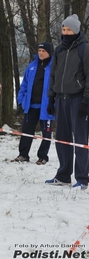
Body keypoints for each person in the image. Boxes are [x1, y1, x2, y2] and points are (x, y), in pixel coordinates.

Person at [45, 14, 89, 190]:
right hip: (61, 100)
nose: (65, 32)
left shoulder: (84, 49)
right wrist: (51, 97)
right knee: (62, 139)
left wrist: (86, 100)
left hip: (78, 99)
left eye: (69, 29)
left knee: (80, 139)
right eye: (63, 29)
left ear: (76, 30)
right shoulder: (59, 50)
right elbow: (53, 75)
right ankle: (63, 175)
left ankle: (82, 178)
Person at [11, 42, 54, 165]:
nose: (41, 53)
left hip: (46, 107)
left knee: (46, 133)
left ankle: (43, 156)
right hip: (31, 106)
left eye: (43, 51)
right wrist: (20, 101)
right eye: (39, 51)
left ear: (49, 52)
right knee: (26, 131)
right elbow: (24, 85)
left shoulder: (54, 67)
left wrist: (54, 104)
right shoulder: (31, 67)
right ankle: (23, 154)